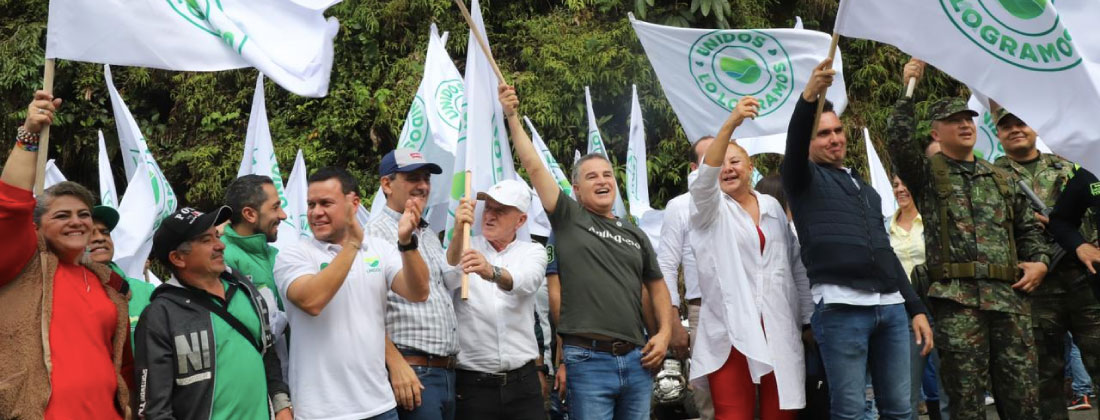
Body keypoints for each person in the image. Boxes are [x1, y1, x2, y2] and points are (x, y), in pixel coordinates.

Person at [499, 84, 676, 419]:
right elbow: (535, 167)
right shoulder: (568, 217)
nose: (602, 180)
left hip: (638, 360)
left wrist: (664, 333)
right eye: (592, 176)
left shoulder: (635, 233)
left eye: (608, 174)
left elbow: (657, 286)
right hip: (588, 361)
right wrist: (512, 117)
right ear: (576, 190)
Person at [887, 59, 1050, 420]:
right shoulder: (929, 176)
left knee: (1022, 399)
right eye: (954, 121)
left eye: (969, 119)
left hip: (1009, 300)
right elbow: (898, 142)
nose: (965, 125)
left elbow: (1028, 232)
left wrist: (1040, 262)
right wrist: (908, 88)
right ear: (935, 133)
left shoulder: (1001, 178)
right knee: (965, 402)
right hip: (958, 303)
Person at [781, 59, 933, 420]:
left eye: (837, 131)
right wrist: (809, 97)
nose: (834, 138)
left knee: (900, 410)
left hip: (892, 309)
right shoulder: (801, 180)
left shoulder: (867, 191)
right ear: (807, 144)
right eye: (823, 134)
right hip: (840, 307)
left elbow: (887, 254)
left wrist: (915, 308)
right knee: (850, 411)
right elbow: (796, 137)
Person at [0, 91, 133, 419]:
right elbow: (10, 205)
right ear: (37, 226)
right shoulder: (24, 267)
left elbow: (124, 366)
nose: (77, 222)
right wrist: (30, 132)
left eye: (83, 215)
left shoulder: (108, 284)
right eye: (62, 216)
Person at [273, 166, 431, 420]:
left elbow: (418, 291)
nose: (316, 212)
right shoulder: (293, 254)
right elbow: (312, 301)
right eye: (311, 204)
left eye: (325, 203)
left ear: (353, 203)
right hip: (321, 412)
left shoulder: (378, 248)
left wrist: (406, 243)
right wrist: (353, 245)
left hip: (380, 406)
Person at [691, 96, 812, 419]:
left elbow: (795, 266)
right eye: (723, 163)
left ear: (751, 168)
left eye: (737, 161)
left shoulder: (772, 207)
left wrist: (808, 319)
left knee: (781, 414)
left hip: (778, 327)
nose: (728, 168)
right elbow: (704, 181)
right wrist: (730, 124)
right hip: (731, 332)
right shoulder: (709, 208)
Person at [990, 108, 1100, 419]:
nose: (1015, 130)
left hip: (1082, 280)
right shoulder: (992, 175)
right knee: (1043, 379)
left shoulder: (1070, 167)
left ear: (1034, 127)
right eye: (1006, 126)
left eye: (1020, 123)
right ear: (997, 134)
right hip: (1035, 289)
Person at [135, 206, 291, 419]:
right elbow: (154, 409)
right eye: (206, 240)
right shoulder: (161, 315)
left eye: (217, 236)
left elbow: (267, 352)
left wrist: (281, 404)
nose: (220, 245)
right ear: (178, 258)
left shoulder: (245, 289)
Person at [365, 149, 460, 420]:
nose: (423, 185)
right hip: (412, 371)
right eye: (413, 177)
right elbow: (364, 310)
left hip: (446, 372)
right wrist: (395, 363)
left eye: (426, 178)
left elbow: (447, 284)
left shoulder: (427, 233)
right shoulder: (374, 235)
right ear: (386, 184)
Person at [445, 179, 548, 419]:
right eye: (488, 208)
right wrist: (460, 229)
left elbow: (527, 281)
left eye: (500, 211)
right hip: (473, 387)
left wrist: (490, 271)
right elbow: (447, 278)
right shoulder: (467, 247)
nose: (489, 216)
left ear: (520, 220)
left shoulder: (532, 251)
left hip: (523, 383)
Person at [657, 135, 715, 419]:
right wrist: (673, 322)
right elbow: (666, 265)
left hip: (746, 308)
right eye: (709, 159)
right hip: (701, 310)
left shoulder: (744, 202)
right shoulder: (680, 206)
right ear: (694, 169)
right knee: (707, 395)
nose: (718, 164)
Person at [887, 175, 949, 420]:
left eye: (905, 184)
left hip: (940, 308)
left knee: (949, 391)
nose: (901, 189)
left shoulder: (933, 222)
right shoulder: (885, 227)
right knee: (905, 392)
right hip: (904, 315)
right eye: (895, 185)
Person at [88, 204, 157, 341]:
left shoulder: (146, 292)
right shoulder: (62, 292)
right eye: (89, 233)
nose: (100, 238)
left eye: (105, 232)